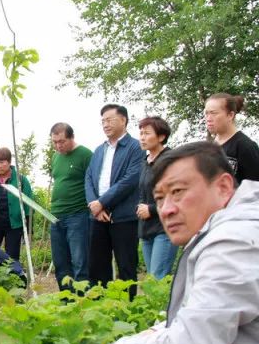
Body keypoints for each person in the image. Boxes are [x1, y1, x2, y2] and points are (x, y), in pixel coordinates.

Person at [88, 142, 259, 344]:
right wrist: (150, 336)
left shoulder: (235, 242)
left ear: (224, 186)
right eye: (159, 198)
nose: (167, 209)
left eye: (178, 192)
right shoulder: (239, 227)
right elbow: (197, 317)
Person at [85, 104, 144, 298]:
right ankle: (100, 309)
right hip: (98, 217)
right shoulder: (99, 150)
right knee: (97, 266)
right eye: (103, 121)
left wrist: (103, 202)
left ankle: (126, 312)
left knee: (126, 266)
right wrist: (95, 205)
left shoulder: (135, 147)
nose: (105, 124)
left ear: (124, 120)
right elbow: (89, 179)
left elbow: (130, 179)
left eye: (109, 119)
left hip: (124, 217)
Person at [49, 122, 92, 286]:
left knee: (80, 262)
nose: (58, 146)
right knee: (60, 263)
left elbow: (93, 183)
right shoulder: (56, 157)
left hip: (78, 215)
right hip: (56, 216)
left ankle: (82, 301)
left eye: (62, 141)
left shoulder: (85, 155)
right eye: (55, 142)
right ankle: (66, 301)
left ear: (72, 137)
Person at [136, 117, 178, 279]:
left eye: (147, 133)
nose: (142, 137)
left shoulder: (171, 160)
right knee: (152, 281)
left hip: (165, 227)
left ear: (161, 137)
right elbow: (143, 191)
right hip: (146, 228)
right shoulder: (145, 161)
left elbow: (177, 195)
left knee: (158, 279)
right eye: (141, 133)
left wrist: (151, 209)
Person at [0, 147, 33, 262]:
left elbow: (28, 206)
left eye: (2, 162)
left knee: (12, 259)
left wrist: (27, 230)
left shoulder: (21, 181)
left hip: (14, 226)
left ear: (9, 162)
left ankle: (14, 278)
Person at [205, 93, 259, 184]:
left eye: (213, 113)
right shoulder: (209, 147)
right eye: (206, 113)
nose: (208, 118)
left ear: (230, 115)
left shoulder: (245, 146)